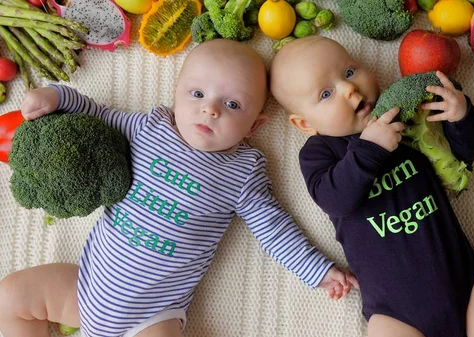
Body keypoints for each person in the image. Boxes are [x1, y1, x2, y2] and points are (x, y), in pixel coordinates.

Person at [0, 39, 353, 337]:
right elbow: (97, 114)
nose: (209, 109)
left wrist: (316, 270)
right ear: (176, 94)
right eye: (197, 93)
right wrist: (57, 97)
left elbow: (273, 229)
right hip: (85, 290)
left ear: (254, 125)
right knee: (11, 297)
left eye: (232, 105)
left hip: (152, 317)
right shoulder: (149, 127)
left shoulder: (243, 171)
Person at [269, 35, 474, 337]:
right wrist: (369, 149)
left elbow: (461, 155)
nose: (349, 89)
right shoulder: (320, 152)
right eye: (326, 94)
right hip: (393, 312)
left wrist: (460, 117)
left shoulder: (404, 117)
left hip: (465, 283)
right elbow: (334, 199)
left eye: (350, 72)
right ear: (304, 123)